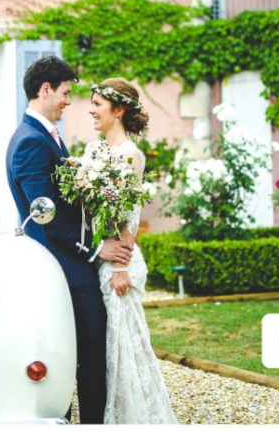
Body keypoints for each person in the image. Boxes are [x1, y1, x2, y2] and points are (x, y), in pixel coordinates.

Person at [5, 56, 133, 425]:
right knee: (87, 354)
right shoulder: (31, 141)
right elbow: (47, 216)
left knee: (78, 352)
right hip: (63, 268)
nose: (68, 101)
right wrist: (96, 248)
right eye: (65, 93)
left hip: (68, 264)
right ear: (45, 90)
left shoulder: (42, 135)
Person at [82, 78, 175, 424]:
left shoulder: (130, 155)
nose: (91, 110)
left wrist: (120, 267)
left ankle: (131, 418)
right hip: (98, 255)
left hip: (118, 263)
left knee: (124, 346)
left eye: (97, 104)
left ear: (118, 110)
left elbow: (129, 215)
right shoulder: (93, 152)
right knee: (107, 345)